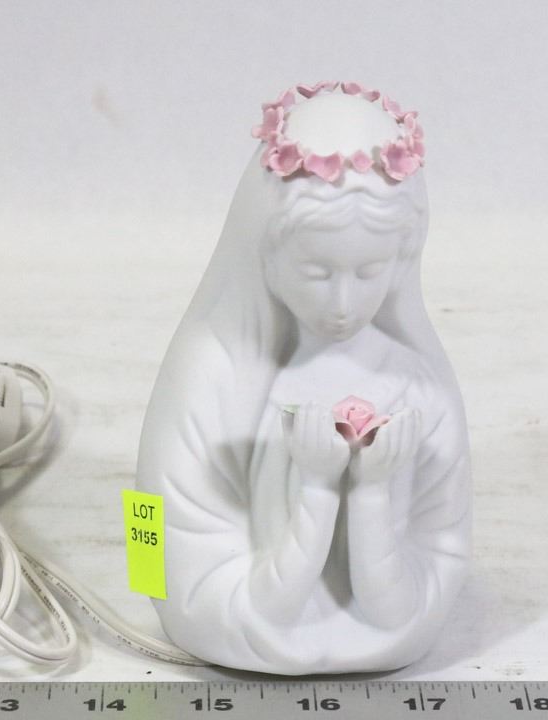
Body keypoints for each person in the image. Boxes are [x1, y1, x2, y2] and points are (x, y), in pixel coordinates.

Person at [136, 85, 471, 674]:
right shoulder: (213, 376)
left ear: (403, 259)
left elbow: (432, 569)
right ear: (265, 254)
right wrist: (316, 490)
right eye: (317, 272)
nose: (344, 304)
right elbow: (164, 556)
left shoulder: (420, 389)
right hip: (239, 609)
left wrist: (369, 493)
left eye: (369, 271)